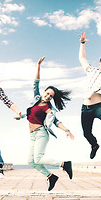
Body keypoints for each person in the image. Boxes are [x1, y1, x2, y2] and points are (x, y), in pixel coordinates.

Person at [18, 56, 74, 191]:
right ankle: (50, 176)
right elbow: (35, 83)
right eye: (47, 93)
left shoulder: (49, 109)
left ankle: (64, 164)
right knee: (30, 161)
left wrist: (66, 130)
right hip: (32, 135)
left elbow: (56, 122)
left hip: (41, 134)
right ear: (44, 92)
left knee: (38, 158)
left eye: (51, 96)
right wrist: (38, 65)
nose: (48, 96)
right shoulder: (36, 99)